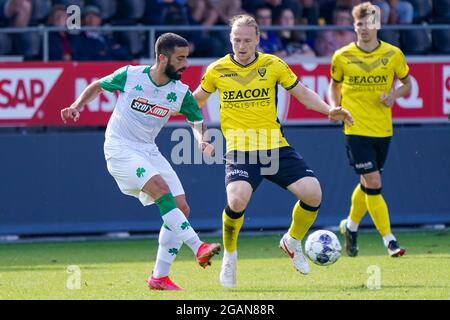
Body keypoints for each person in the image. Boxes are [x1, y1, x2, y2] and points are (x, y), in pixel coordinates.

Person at [193, 14, 353, 288]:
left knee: (313, 193)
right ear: (230, 40)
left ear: (258, 39)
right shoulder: (217, 70)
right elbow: (193, 103)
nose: (241, 46)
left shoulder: (273, 64)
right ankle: (230, 256)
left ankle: (292, 240)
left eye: (246, 40)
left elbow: (302, 93)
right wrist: (200, 135)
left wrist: (330, 110)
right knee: (237, 200)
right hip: (240, 150)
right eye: (236, 40)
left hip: (274, 146)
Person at [60, 33, 221, 291]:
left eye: (186, 58)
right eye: (180, 58)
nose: (185, 64)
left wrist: (201, 140)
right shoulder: (131, 75)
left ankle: (159, 277)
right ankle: (198, 246)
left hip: (148, 150)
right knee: (160, 189)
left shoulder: (181, 92)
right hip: (119, 146)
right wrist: (77, 105)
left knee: (181, 208)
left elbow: (196, 120)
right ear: (162, 57)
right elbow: (98, 86)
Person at [328, 2, 411, 258]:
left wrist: (394, 94)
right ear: (354, 26)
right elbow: (334, 85)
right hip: (355, 128)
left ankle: (350, 227)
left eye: (369, 23)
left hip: (383, 129)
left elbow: (407, 84)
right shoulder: (342, 56)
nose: (364, 28)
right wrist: (335, 106)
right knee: (374, 182)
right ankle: (390, 240)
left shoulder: (393, 54)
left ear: (378, 25)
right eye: (359, 24)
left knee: (367, 184)